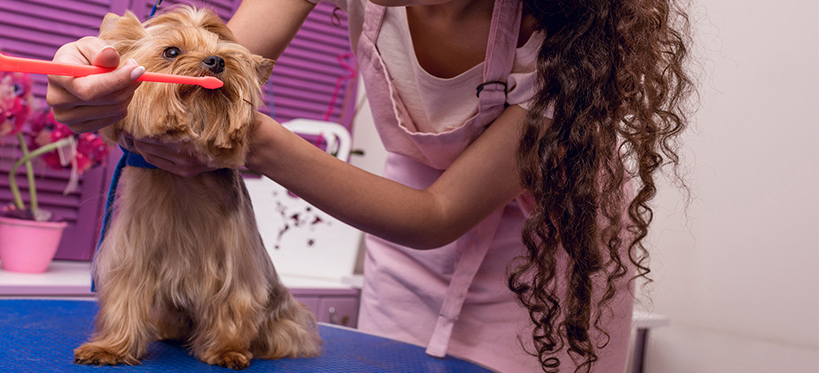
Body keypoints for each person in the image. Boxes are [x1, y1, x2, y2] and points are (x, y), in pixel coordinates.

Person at [47, 0, 693, 371]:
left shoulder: (573, 44)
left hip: (548, 276)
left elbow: (440, 212)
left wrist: (255, 140)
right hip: (402, 247)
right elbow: (210, 67)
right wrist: (112, 89)